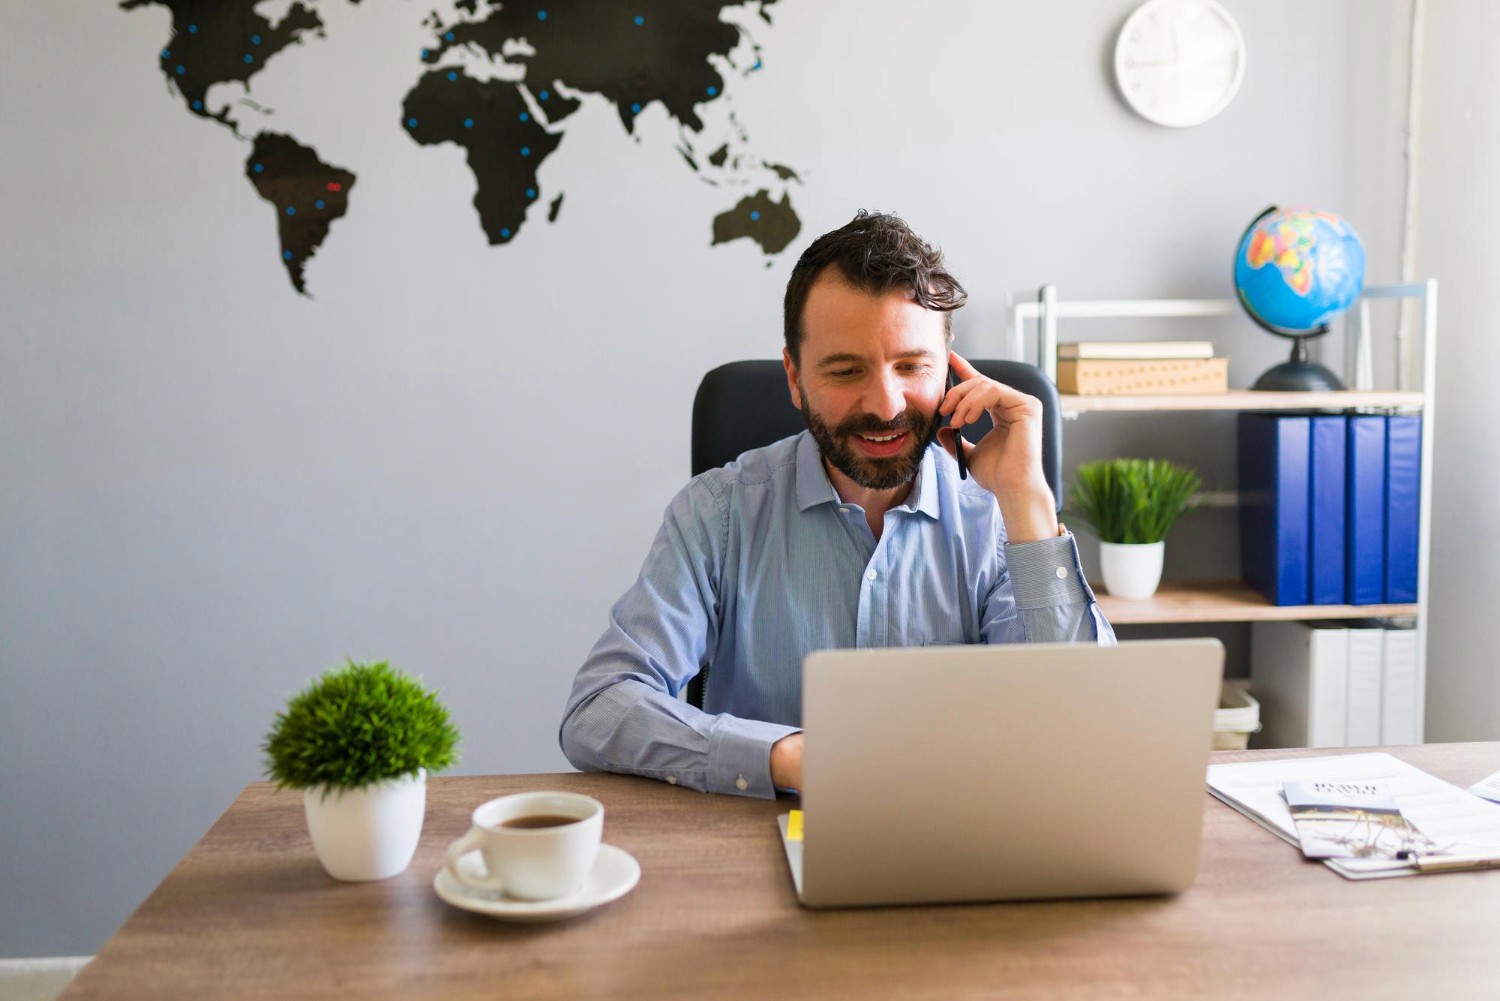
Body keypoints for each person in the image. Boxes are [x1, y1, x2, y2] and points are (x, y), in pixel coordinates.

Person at [560, 210, 1114, 798]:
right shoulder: (717, 515)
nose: (885, 403)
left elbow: (1084, 725)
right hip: (765, 843)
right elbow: (599, 710)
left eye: (911, 366)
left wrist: (1027, 504)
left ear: (948, 371)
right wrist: (785, 757)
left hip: (966, 836)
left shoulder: (997, 516)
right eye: (847, 370)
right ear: (795, 378)